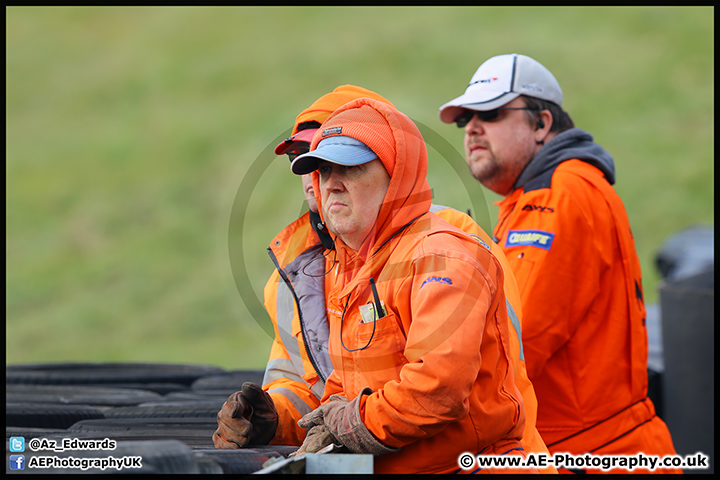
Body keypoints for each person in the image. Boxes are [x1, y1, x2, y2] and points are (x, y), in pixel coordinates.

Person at [214, 86, 556, 473]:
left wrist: (354, 422)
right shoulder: (336, 269)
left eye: (349, 164)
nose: (325, 182)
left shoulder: (444, 251)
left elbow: (440, 387)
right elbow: (330, 394)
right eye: (316, 165)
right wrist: (275, 420)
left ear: (397, 174)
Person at [438, 53, 680, 474]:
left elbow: (514, 341)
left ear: (541, 124)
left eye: (491, 113)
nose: (473, 128)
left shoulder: (556, 196)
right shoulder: (551, 192)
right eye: (465, 120)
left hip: (589, 452)